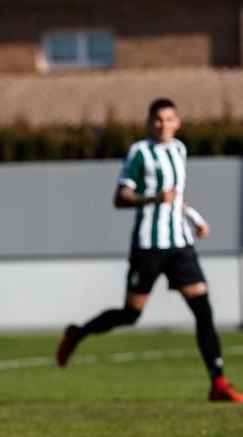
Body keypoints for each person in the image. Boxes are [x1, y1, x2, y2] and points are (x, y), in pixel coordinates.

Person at [56, 98, 243, 403]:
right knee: (131, 314)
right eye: (158, 119)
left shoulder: (180, 150)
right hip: (148, 245)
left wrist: (193, 218)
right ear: (149, 123)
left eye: (169, 119)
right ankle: (77, 334)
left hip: (180, 244)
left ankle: (218, 382)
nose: (163, 124)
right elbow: (121, 197)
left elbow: (176, 196)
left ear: (177, 122)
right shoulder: (139, 152)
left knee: (203, 309)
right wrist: (152, 199)